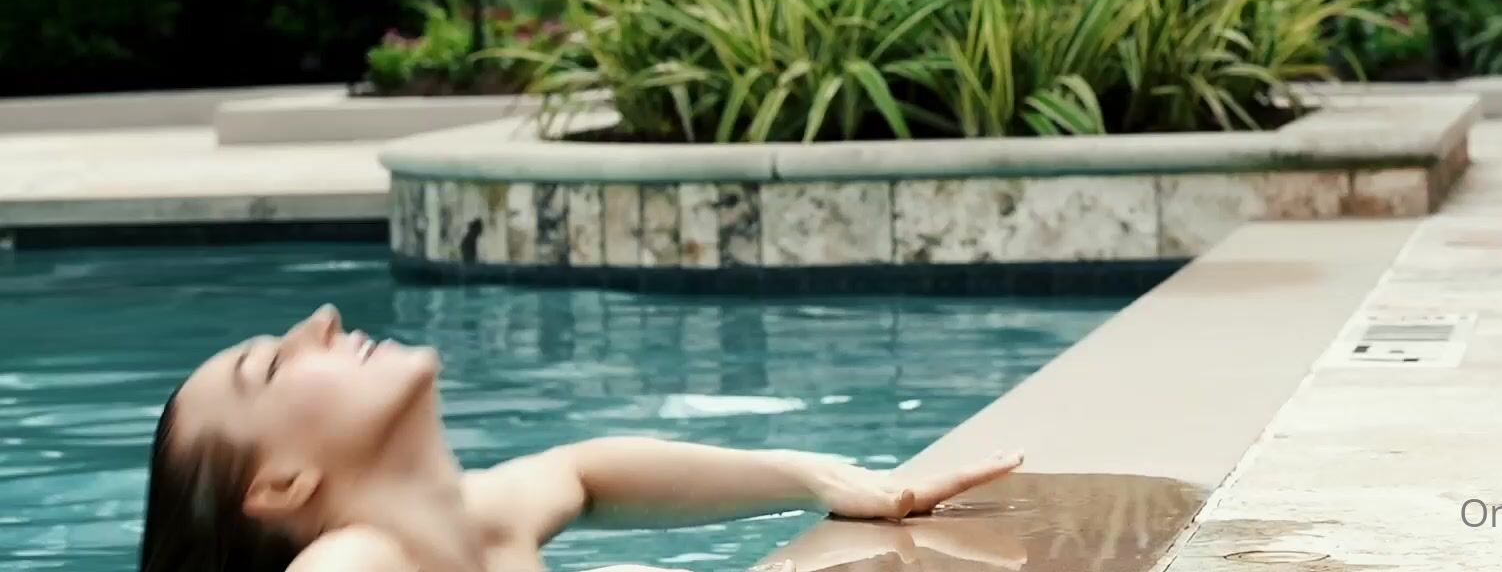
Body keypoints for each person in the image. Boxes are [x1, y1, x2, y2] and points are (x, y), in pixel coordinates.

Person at [139, 304, 1024, 572]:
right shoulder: (353, 562)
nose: (322, 320)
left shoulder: (474, 523)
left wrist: (812, 476)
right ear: (282, 485)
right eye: (272, 367)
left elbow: (586, 472)